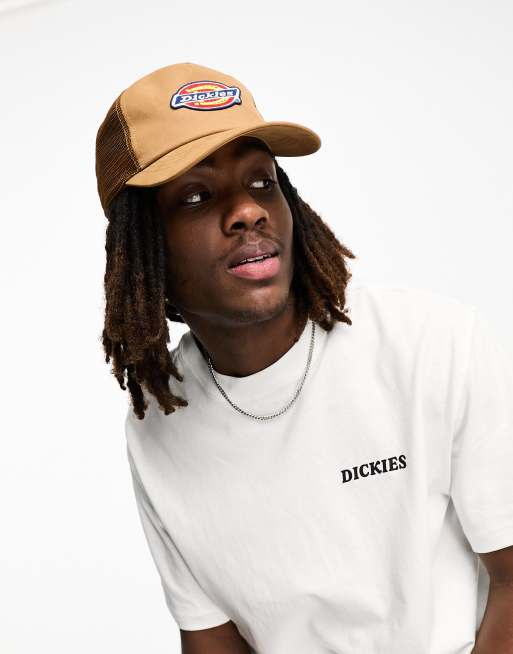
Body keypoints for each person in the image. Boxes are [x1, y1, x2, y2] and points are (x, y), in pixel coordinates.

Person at [95, 62, 513, 654]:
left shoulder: (432, 344)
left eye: (262, 182)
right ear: (141, 247)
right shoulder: (160, 425)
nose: (248, 211)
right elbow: (213, 640)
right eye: (196, 196)